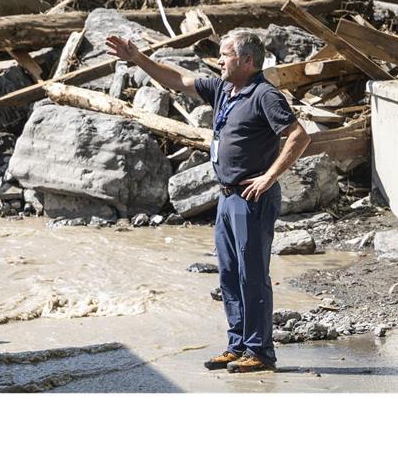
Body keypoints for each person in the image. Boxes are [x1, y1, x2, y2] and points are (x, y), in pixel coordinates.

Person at [105, 29, 311, 373]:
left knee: (253, 276)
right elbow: (180, 79)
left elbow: (299, 135)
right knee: (229, 275)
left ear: (247, 61)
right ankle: (237, 345)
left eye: (224, 55)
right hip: (226, 197)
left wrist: (269, 177)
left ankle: (260, 352)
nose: (218, 61)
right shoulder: (224, 90)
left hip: (251, 197)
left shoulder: (264, 95)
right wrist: (138, 59)